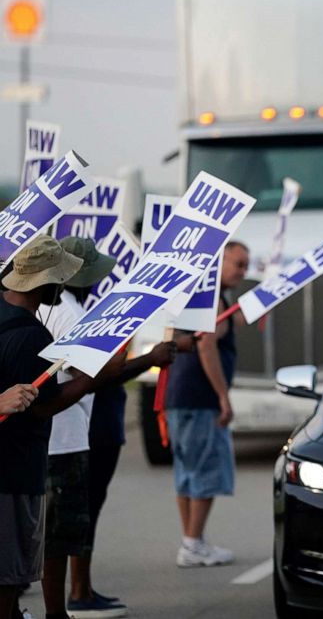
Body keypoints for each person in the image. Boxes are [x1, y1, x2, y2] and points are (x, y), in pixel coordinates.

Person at [41, 237, 187, 619]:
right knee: (64, 530)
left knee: (58, 526)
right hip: (68, 432)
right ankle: (73, 598)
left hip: (60, 429)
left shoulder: (54, 307)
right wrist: (145, 360)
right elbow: (93, 375)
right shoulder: (69, 313)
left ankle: (77, 593)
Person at [0, 237, 94, 619]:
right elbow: (43, 407)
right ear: (45, 285)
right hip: (13, 475)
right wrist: (90, 377)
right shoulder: (32, 337)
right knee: (8, 579)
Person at [166, 240, 249, 567]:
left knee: (187, 470)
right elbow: (207, 347)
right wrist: (223, 397)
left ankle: (192, 540)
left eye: (245, 265)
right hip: (200, 398)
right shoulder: (212, 300)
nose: (243, 271)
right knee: (205, 469)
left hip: (180, 396)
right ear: (220, 263)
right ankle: (192, 543)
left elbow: (229, 323)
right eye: (238, 264)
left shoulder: (206, 298)